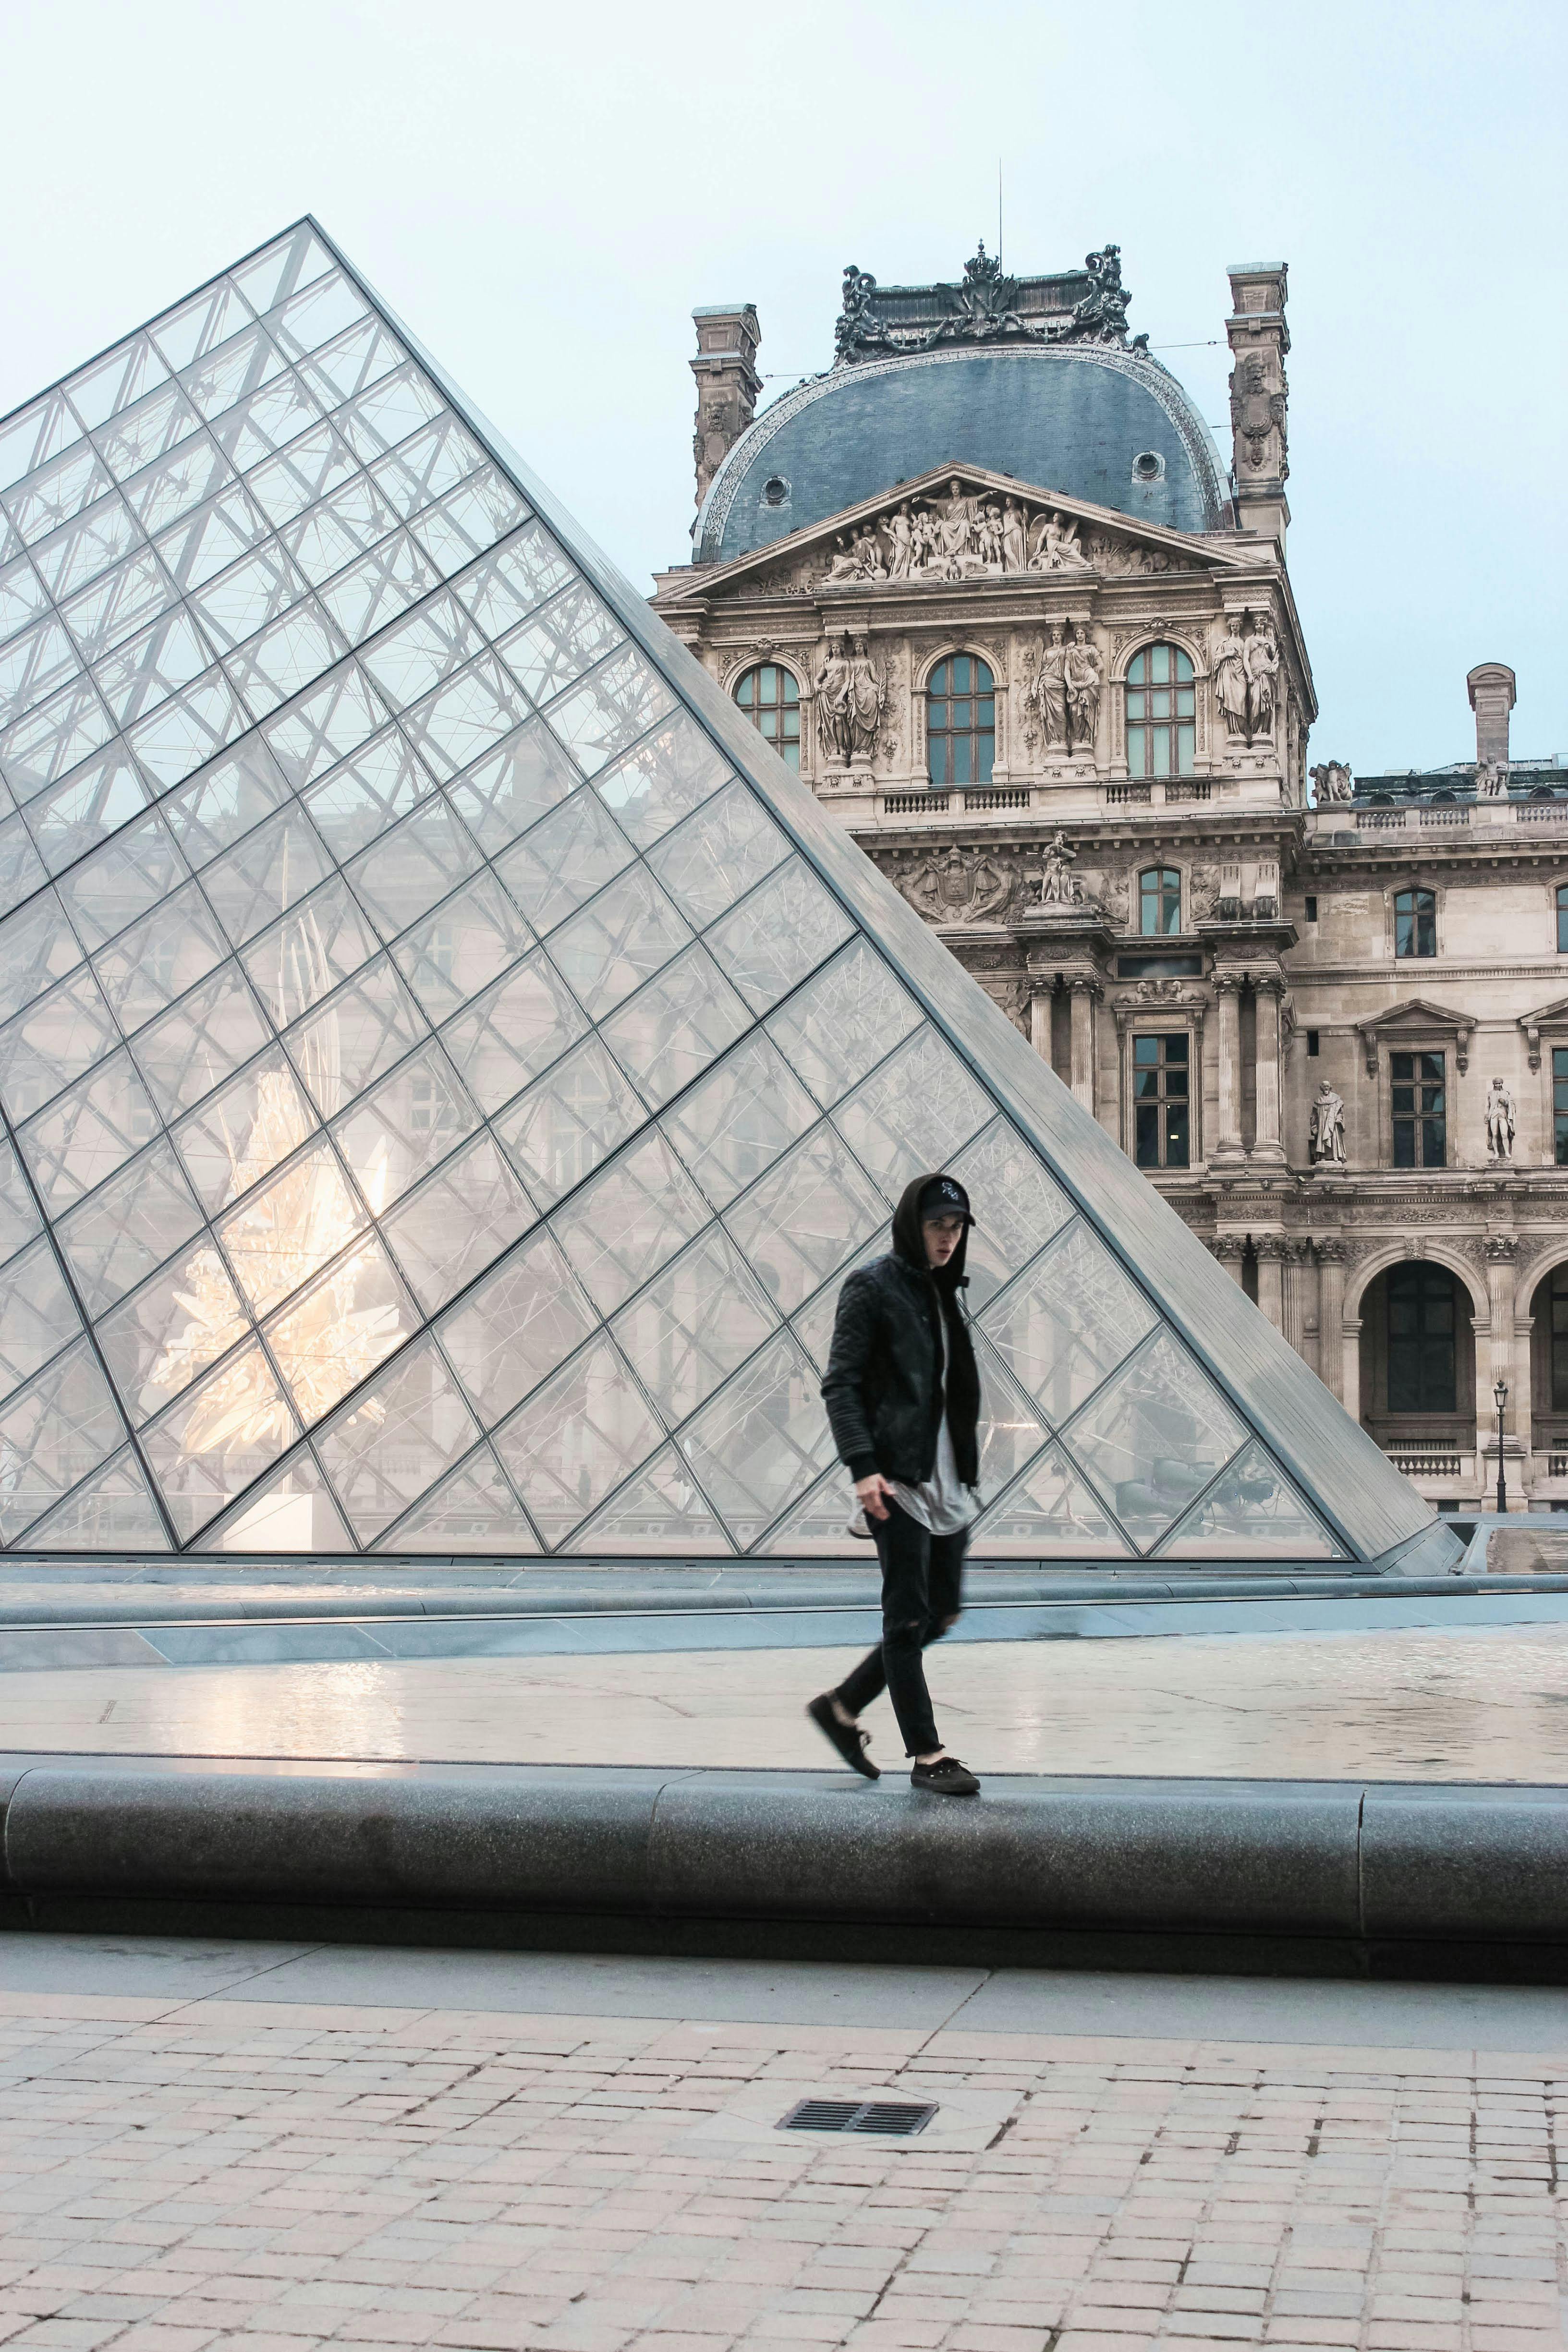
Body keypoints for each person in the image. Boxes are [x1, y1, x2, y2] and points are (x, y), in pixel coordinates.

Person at [808, 1173, 984, 1797]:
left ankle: (840, 1706)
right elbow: (841, 1383)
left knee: (940, 1612)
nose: (947, 1237)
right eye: (938, 1224)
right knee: (907, 1620)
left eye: (956, 1226)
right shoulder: (872, 1286)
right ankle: (928, 1754)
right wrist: (862, 1466)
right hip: (896, 1480)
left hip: (947, 1483)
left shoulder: (945, 1292)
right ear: (913, 1224)